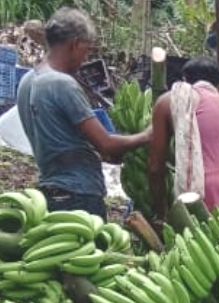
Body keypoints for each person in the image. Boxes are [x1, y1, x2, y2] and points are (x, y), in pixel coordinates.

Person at [16, 7, 151, 219]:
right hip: (78, 194)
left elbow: (57, 137)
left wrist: (94, 152)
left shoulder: (27, 81)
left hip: (50, 191)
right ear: (75, 44)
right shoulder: (62, 84)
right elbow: (105, 143)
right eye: (86, 50)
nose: (86, 58)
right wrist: (148, 135)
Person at [149, 57, 219, 226]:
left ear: (184, 81)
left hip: (208, 193)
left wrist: (161, 213)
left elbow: (155, 166)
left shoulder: (169, 100)